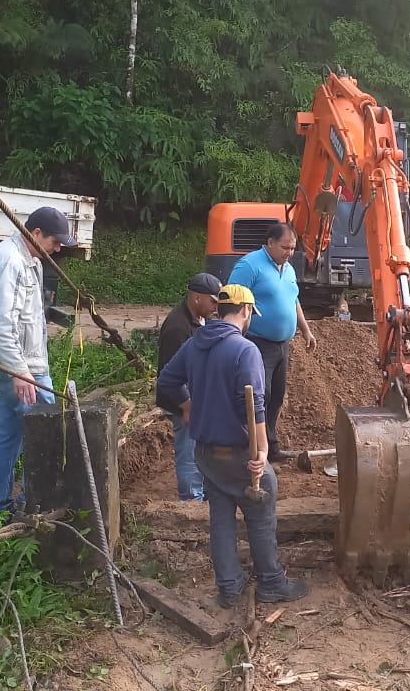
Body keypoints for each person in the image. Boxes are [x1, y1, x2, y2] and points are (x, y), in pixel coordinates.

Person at [156, 284, 309, 608]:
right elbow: (254, 404)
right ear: (245, 311)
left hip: (206, 453)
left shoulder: (196, 343)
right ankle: (271, 581)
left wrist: (187, 405)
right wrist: (263, 453)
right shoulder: (245, 350)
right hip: (240, 454)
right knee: (262, 509)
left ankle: (229, 585)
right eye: (252, 312)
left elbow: (167, 381)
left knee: (222, 517)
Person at [0, 206, 76, 518]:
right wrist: (19, 371)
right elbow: (2, 324)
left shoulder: (29, 259)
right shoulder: (8, 261)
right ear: (35, 233)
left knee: (12, 432)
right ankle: (31, 500)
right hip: (18, 366)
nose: (59, 247)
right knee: (46, 428)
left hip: (25, 363)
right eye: (55, 240)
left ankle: (0, 505)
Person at [227, 223, 317, 463]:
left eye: (293, 248)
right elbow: (231, 298)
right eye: (285, 247)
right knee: (259, 396)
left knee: (276, 396)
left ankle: (271, 446)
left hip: (281, 345)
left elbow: (293, 300)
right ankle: (253, 450)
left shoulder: (287, 269)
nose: (289, 253)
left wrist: (306, 330)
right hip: (256, 343)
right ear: (270, 243)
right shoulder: (249, 265)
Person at [156, 272, 221, 501]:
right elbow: (169, 376)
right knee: (190, 456)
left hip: (196, 400)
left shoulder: (201, 320)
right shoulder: (178, 328)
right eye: (213, 300)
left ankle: (200, 496)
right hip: (184, 403)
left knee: (200, 453)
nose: (216, 305)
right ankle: (190, 502)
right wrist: (187, 406)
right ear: (196, 298)